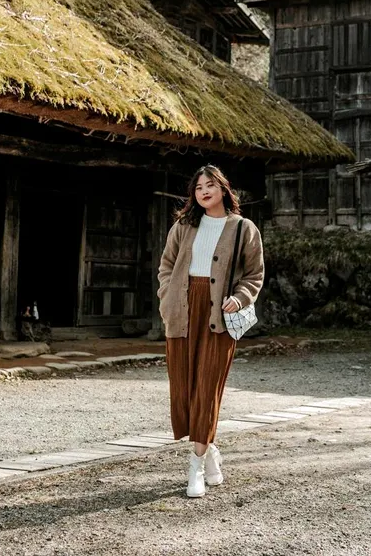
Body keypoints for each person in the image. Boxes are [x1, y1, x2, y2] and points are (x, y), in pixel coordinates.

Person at [157, 164, 265, 498]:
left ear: (223, 189)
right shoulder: (183, 226)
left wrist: (240, 297)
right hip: (183, 311)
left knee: (207, 386)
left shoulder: (243, 228)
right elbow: (166, 267)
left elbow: (255, 274)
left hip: (219, 312)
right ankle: (211, 449)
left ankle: (196, 466)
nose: (204, 191)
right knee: (187, 391)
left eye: (210, 185)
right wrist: (167, 297)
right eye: (198, 187)